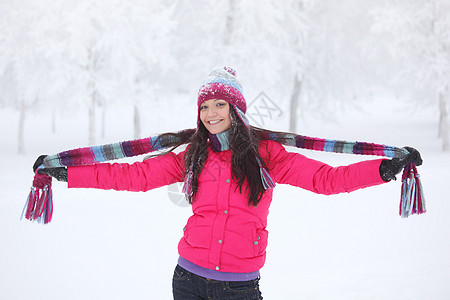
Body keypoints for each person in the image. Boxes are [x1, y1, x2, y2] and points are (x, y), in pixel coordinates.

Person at [33, 67, 422, 300]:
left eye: (219, 104)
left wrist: (384, 170)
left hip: (238, 289)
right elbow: (134, 176)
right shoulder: (194, 155)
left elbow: (326, 180)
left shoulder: (267, 155)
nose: (210, 113)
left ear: (236, 109)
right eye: (204, 106)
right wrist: (70, 173)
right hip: (187, 279)